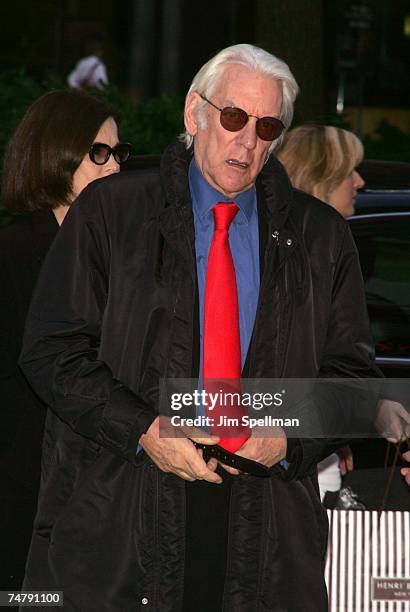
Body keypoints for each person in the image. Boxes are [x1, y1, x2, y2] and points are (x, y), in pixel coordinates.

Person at [19, 45, 377, 611]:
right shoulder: (112, 213)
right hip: (122, 524)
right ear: (195, 114)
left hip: (268, 539)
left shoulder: (321, 237)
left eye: (266, 126)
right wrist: (145, 429)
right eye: (233, 117)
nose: (247, 140)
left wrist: (289, 437)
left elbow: (354, 378)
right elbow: (52, 351)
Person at [0, 89, 131, 589]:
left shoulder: (120, 257)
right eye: (98, 152)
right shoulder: (12, 256)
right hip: (22, 496)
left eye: (119, 152)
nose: (114, 164)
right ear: (55, 153)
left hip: (96, 496)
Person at [277, 124, 365, 504]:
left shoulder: (323, 255)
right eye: (349, 172)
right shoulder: (299, 268)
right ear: (322, 179)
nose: (360, 182)